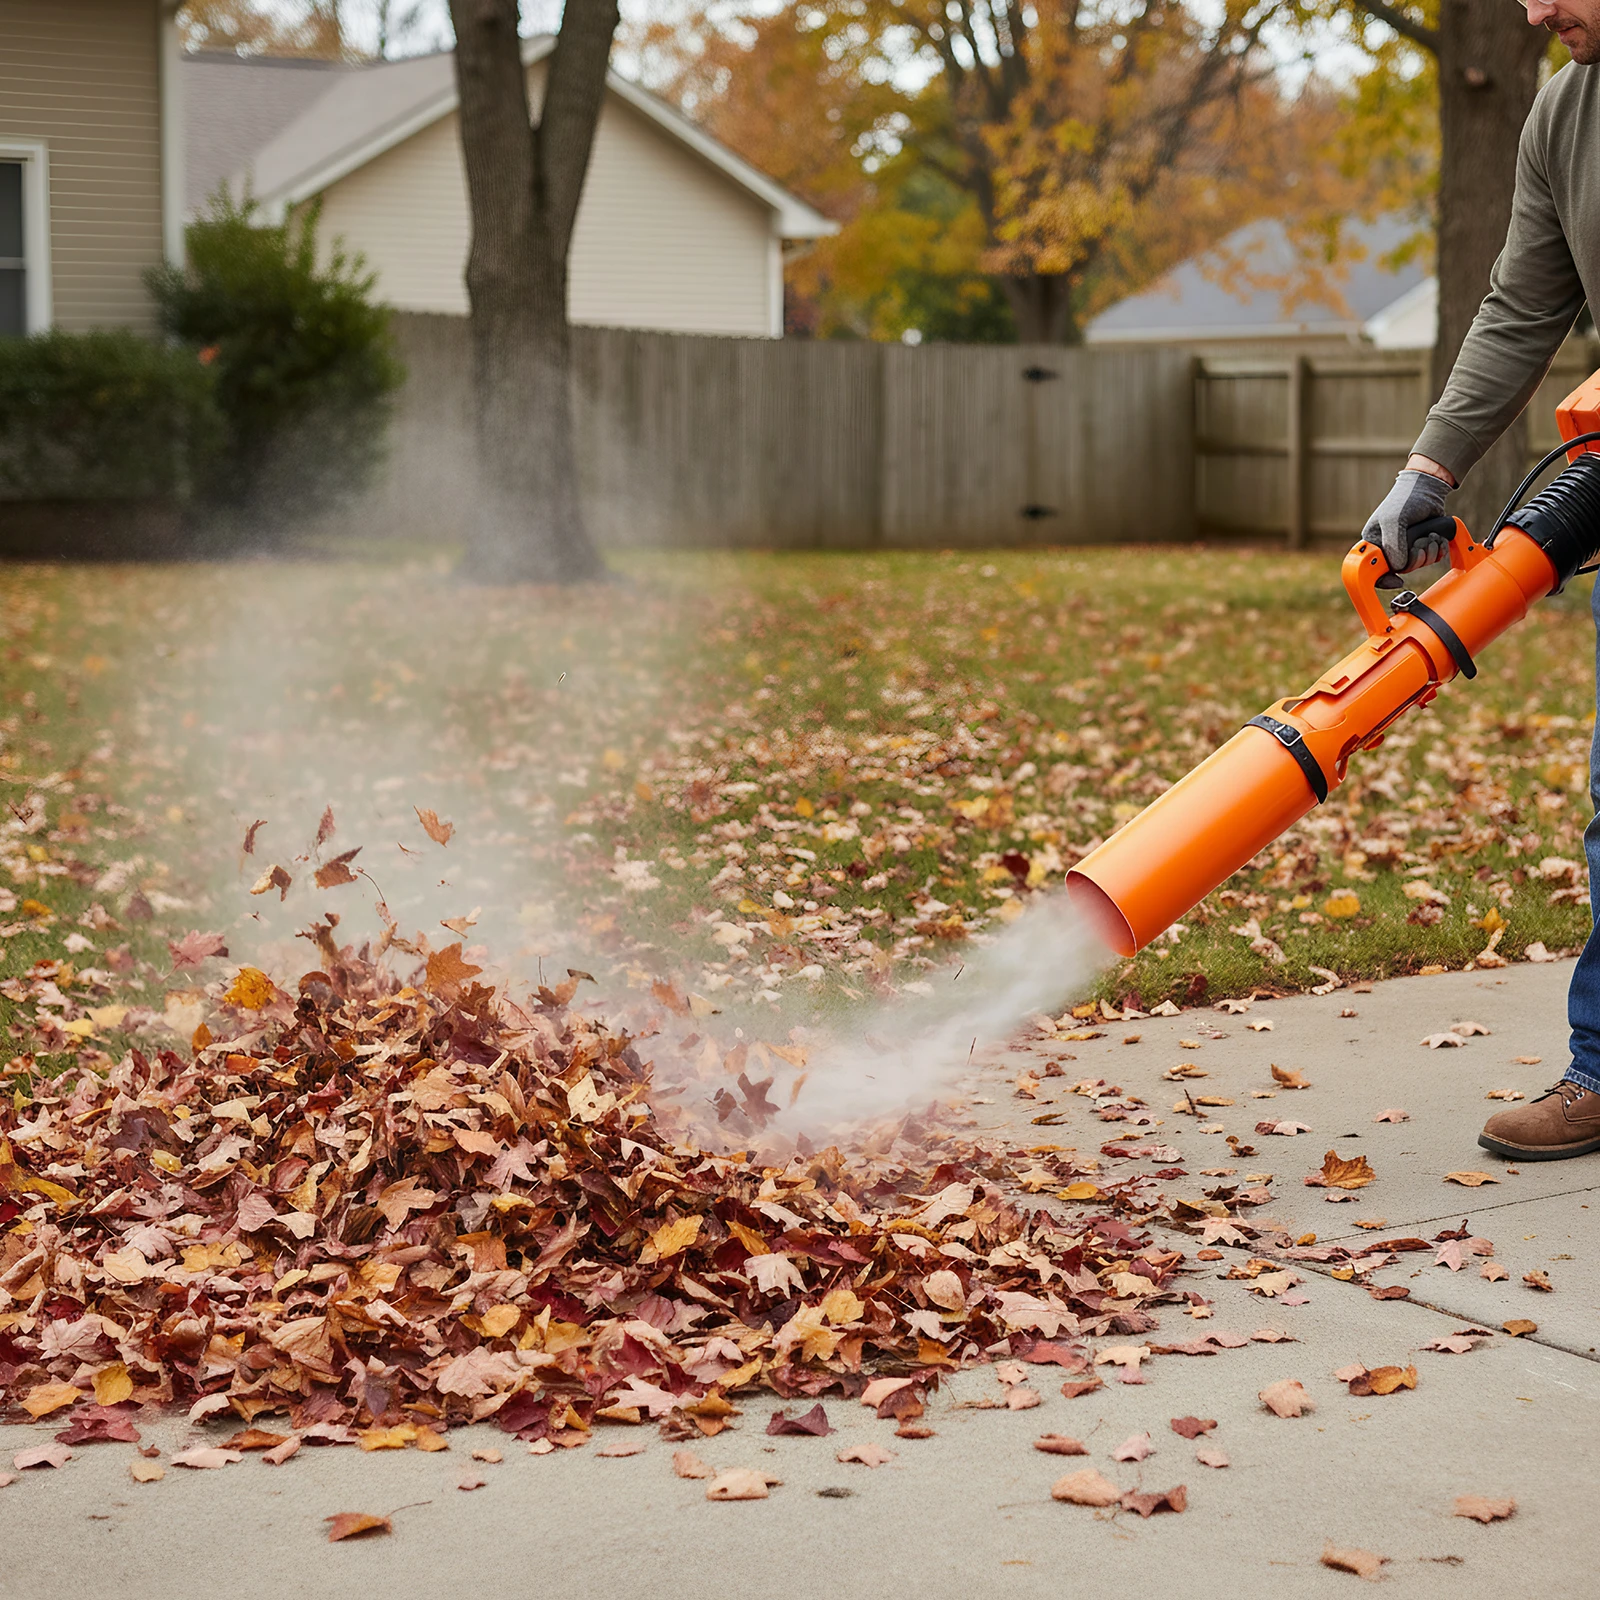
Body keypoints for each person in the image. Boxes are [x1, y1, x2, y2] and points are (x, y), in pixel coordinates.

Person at [1363, 0, 1600, 1160]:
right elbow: (1519, 305)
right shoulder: (1564, 109)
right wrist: (1429, 467)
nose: (1536, 11)